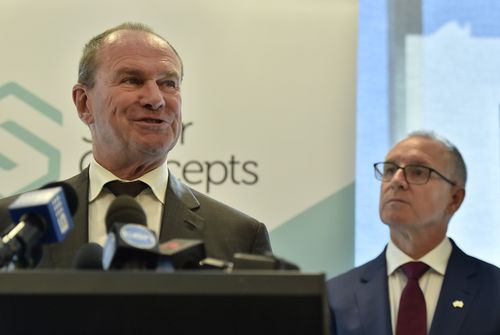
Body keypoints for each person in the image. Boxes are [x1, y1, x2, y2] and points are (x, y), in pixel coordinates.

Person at [0, 22, 271, 268]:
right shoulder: (13, 228)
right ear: (84, 103)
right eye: (132, 80)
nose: (156, 99)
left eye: (169, 83)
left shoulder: (240, 235)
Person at [326, 131, 500, 335]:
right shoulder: (335, 296)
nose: (396, 181)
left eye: (418, 171)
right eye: (390, 170)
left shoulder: (493, 290)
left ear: (454, 199)